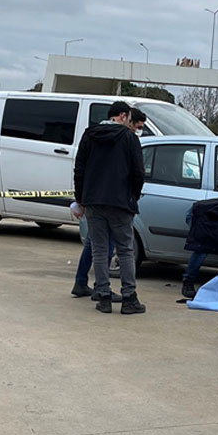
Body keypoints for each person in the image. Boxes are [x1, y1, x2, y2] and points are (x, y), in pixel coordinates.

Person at [73, 100, 146, 315]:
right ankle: (129, 298)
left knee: (99, 248)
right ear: (123, 116)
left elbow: (79, 169)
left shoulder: (89, 135)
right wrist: (132, 196)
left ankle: (103, 295)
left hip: (94, 201)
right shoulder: (129, 139)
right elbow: (138, 173)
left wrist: (81, 199)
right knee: (125, 250)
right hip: (121, 202)